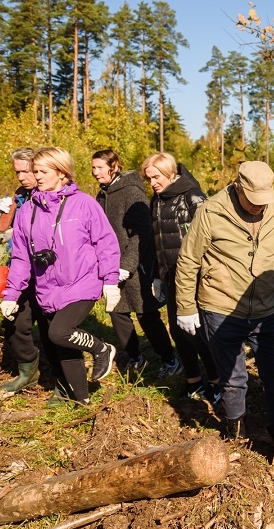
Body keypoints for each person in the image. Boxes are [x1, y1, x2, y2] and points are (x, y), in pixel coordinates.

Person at [174, 160, 274, 463]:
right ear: (237, 188)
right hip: (221, 306)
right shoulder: (211, 212)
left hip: (267, 308)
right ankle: (236, 433)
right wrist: (186, 307)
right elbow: (189, 260)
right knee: (233, 377)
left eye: (263, 201)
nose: (259, 207)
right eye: (253, 201)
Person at [0, 147, 121, 406]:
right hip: (48, 289)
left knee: (59, 332)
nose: (37, 177)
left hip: (82, 282)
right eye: (35, 171)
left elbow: (106, 243)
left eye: (43, 172)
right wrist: (11, 295)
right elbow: (21, 258)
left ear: (61, 172)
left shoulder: (84, 203)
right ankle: (82, 400)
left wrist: (110, 281)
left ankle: (102, 348)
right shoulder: (26, 212)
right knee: (64, 347)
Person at [142, 152, 219, 402]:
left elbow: (211, 239)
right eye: (148, 178)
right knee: (177, 330)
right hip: (169, 276)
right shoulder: (157, 200)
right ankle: (193, 380)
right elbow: (157, 242)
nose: (152, 183)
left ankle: (217, 381)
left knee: (197, 332)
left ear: (170, 173)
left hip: (193, 278)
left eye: (156, 177)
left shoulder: (192, 196)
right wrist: (156, 276)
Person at [92, 149, 177, 376]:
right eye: (93, 168)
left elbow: (142, 234)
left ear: (114, 166)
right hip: (110, 265)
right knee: (117, 313)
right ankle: (135, 357)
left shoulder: (131, 191)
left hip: (136, 265)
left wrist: (127, 266)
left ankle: (170, 359)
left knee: (146, 314)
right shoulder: (102, 195)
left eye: (100, 167)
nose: (95, 172)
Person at [0, 148, 63, 397]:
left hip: (47, 271)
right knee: (14, 322)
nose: (23, 177)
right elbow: (2, 227)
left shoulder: (52, 195)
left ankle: (63, 380)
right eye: (18, 172)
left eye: (27, 171)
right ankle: (28, 371)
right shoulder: (20, 196)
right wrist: (8, 208)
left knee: (51, 327)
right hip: (20, 270)